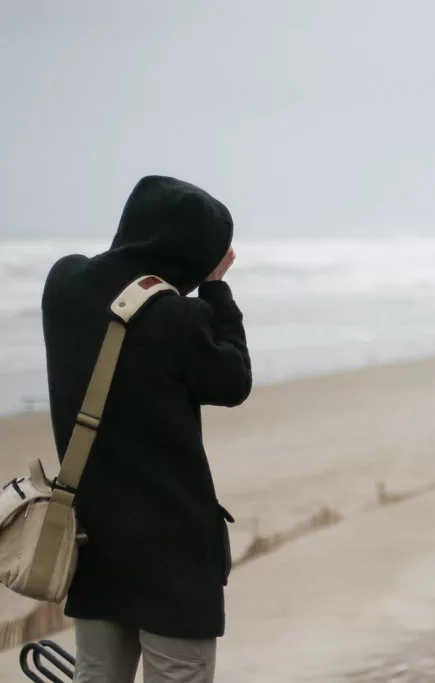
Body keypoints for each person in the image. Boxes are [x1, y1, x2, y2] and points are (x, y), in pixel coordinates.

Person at [40, 175, 252, 683]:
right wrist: (217, 288)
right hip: (174, 557)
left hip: (93, 545)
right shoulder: (180, 319)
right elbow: (233, 379)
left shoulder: (62, 284)